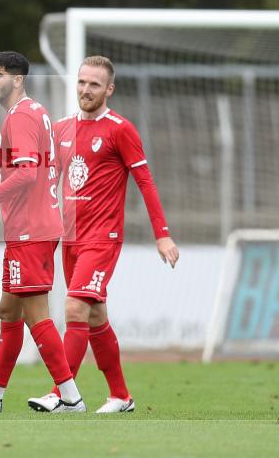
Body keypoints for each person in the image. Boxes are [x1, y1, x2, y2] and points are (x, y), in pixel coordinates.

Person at [42, 54, 179, 414]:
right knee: (95, 317)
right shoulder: (60, 129)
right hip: (70, 239)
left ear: (109, 90)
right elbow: (48, 183)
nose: (86, 90)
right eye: (82, 82)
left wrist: (161, 234)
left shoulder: (120, 129)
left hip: (102, 238)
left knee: (73, 307)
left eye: (95, 85)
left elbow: (145, 182)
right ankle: (121, 396)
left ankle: (62, 394)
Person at [0, 51, 85, 414]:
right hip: (30, 227)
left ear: (18, 79)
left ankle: (70, 397)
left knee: (35, 313)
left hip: (31, 230)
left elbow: (27, 173)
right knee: (8, 310)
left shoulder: (22, 117)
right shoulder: (35, 112)